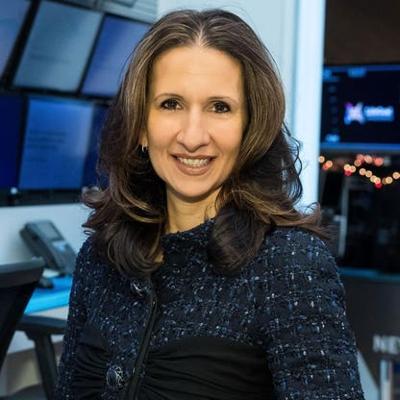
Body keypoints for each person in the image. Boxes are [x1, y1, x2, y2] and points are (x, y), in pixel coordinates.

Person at [55, 8, 365, 400]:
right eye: (171, 104)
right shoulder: (99, 258)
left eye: (220, 107)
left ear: (250, 127)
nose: (193, 136)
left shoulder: (289, 265)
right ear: (141, 126)